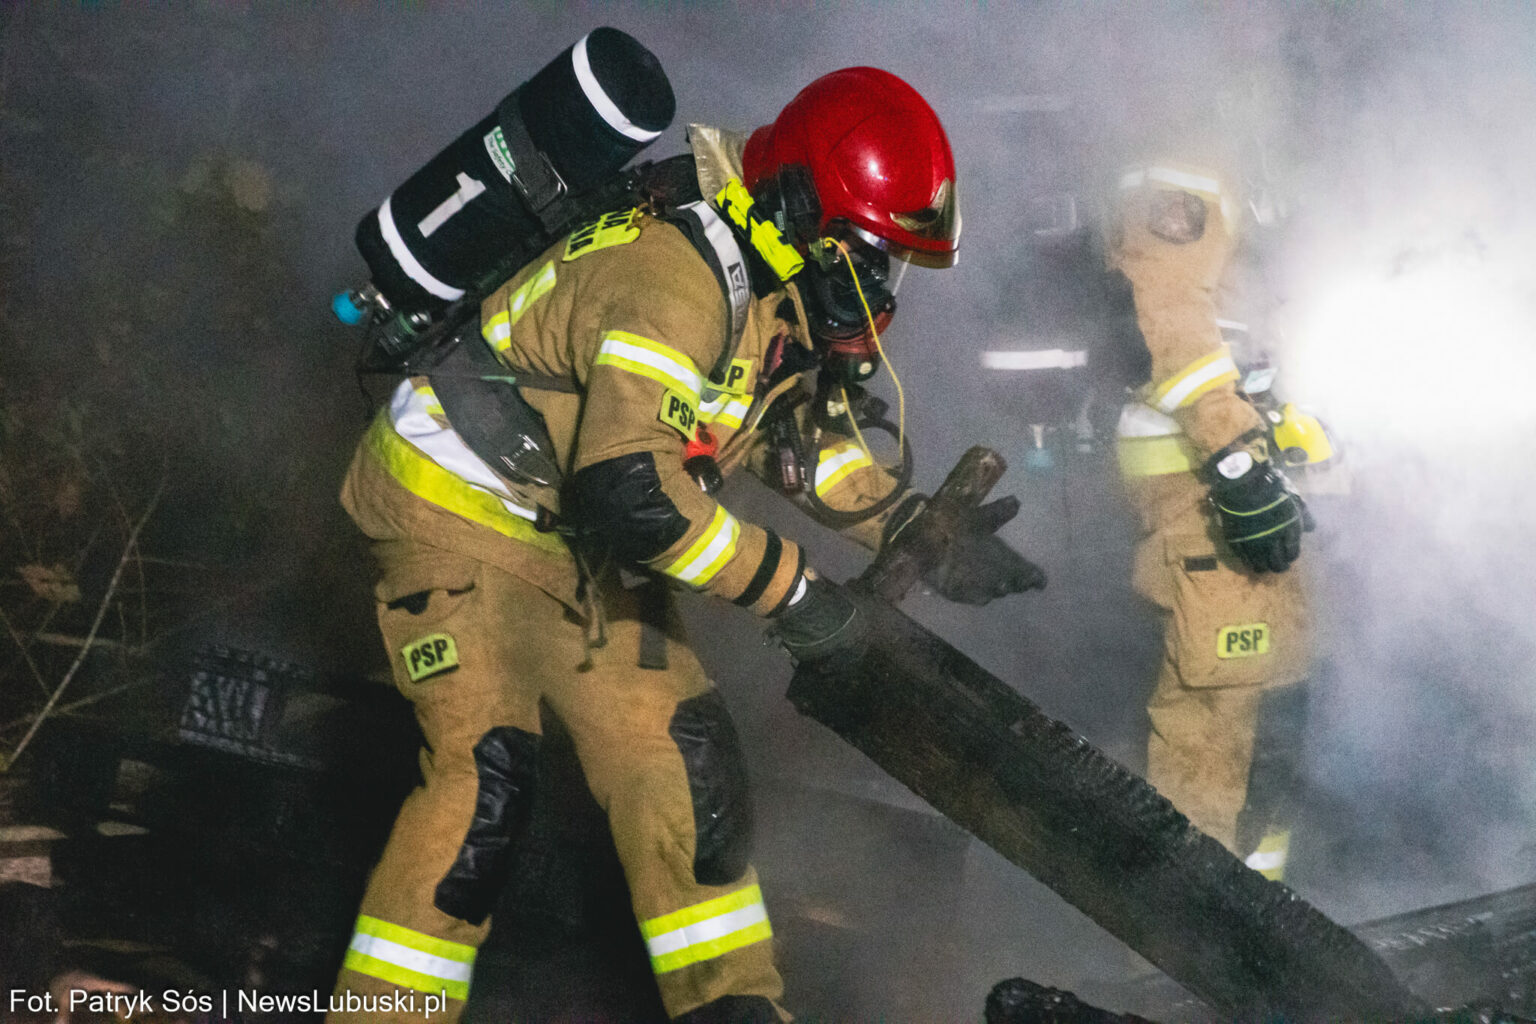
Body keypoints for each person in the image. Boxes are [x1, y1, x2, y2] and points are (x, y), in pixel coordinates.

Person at [331, 66, 1045, 1024]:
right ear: (801, 207)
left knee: (686, 769)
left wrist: (908, 524)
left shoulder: (773, 280)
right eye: (870, 254)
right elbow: (638, 497)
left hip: (573, 546)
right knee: (486, 782)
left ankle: (735, 1009)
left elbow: (797, 448)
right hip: (453, 514)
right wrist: (798, 597)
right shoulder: (672, 278)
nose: (880, 286)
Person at [1106, 154, 1315, 881]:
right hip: (1206, 504)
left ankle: (1264, 935)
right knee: (1210, 743)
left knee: (1268, 737)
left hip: (1245, 498)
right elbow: (1171, 314)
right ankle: (1195, 939)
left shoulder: (1237, 174)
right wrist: (1237, 457)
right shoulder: (1182, 179)